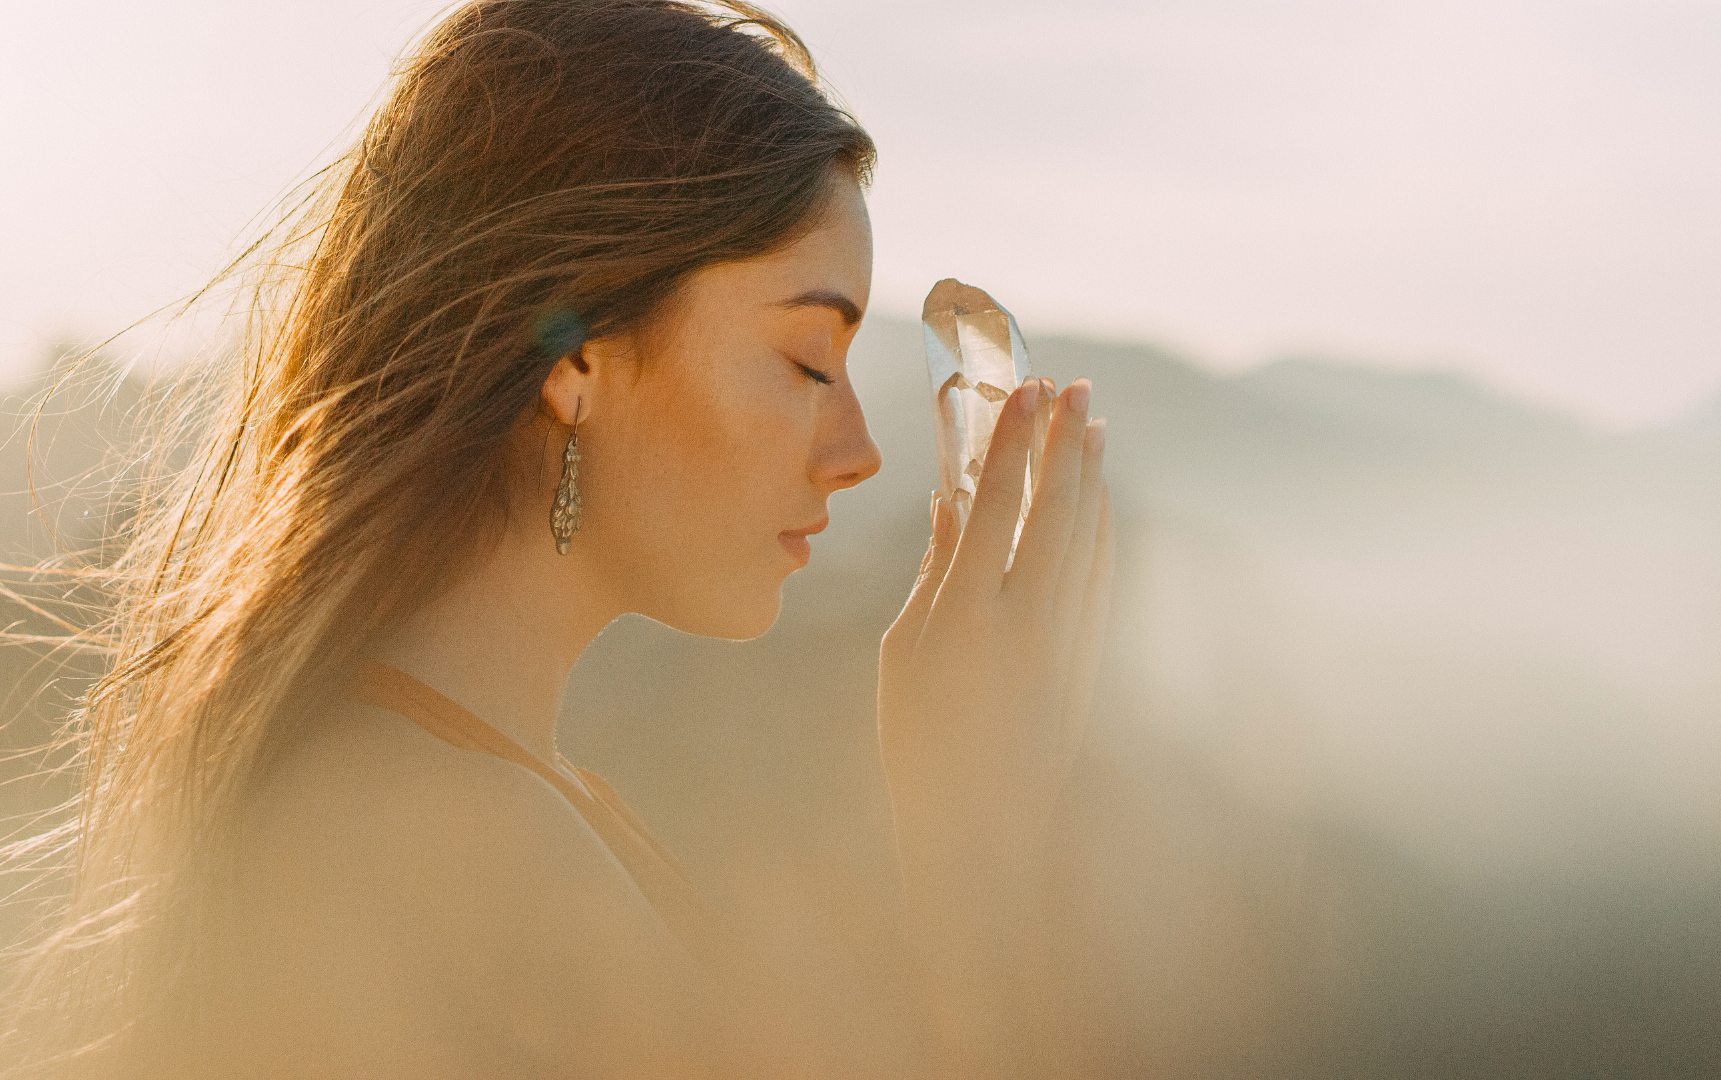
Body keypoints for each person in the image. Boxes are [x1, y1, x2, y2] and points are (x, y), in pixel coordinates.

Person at [0, 2, 1112, 1077]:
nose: (859, 448)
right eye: (810, 363)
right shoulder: (456, 840)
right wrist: (976, 855)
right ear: (576, 352)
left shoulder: (478, 784)